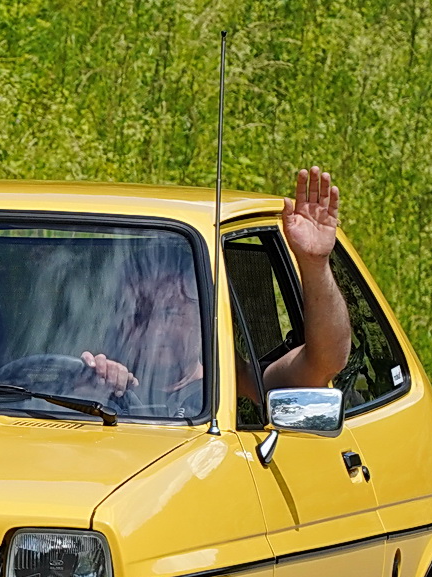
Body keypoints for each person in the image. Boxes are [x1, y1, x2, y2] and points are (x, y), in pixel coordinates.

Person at [78, 165, 352, 410]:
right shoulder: (94, 371)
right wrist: (88, 392)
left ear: (207, 317)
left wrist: (314, 263)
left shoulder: (231, 381)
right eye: (142, 311)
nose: (156, 327)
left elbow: (323, 363)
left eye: (172, 313)